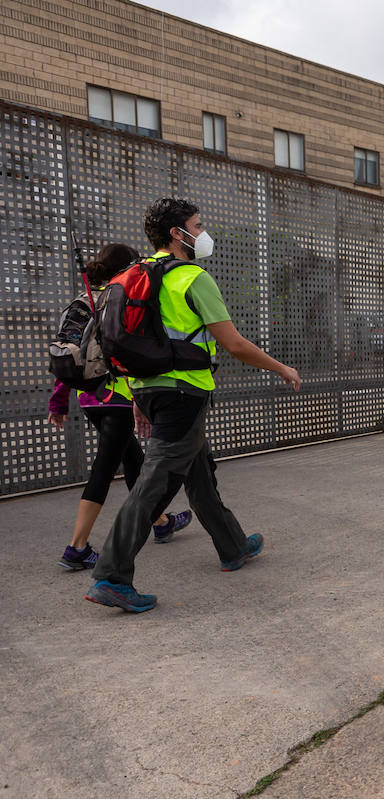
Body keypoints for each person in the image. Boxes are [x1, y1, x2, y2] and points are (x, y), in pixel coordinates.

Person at [84, 197, 302, 613]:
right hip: (184, 393)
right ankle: (111, 576)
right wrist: (281, 367)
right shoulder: (190, 277)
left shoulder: (133, 275)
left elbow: (129, 339)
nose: (203, 233)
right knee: (153, 486)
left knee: (198, 471)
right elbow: (233, 343)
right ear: (177, 234)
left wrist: (137, 396)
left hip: (151, 390)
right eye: (197, 226)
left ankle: (233, 546)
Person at [49, 243, 191, 570]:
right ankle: (77, 547)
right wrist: (142, 398)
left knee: (133, 459)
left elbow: (72, 352)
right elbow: (128, 354)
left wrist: (58, 402)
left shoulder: (85, 300)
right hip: (117, 397)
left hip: (89, 398)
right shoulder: (119, 300)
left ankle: (160, 522)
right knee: (105, 467)